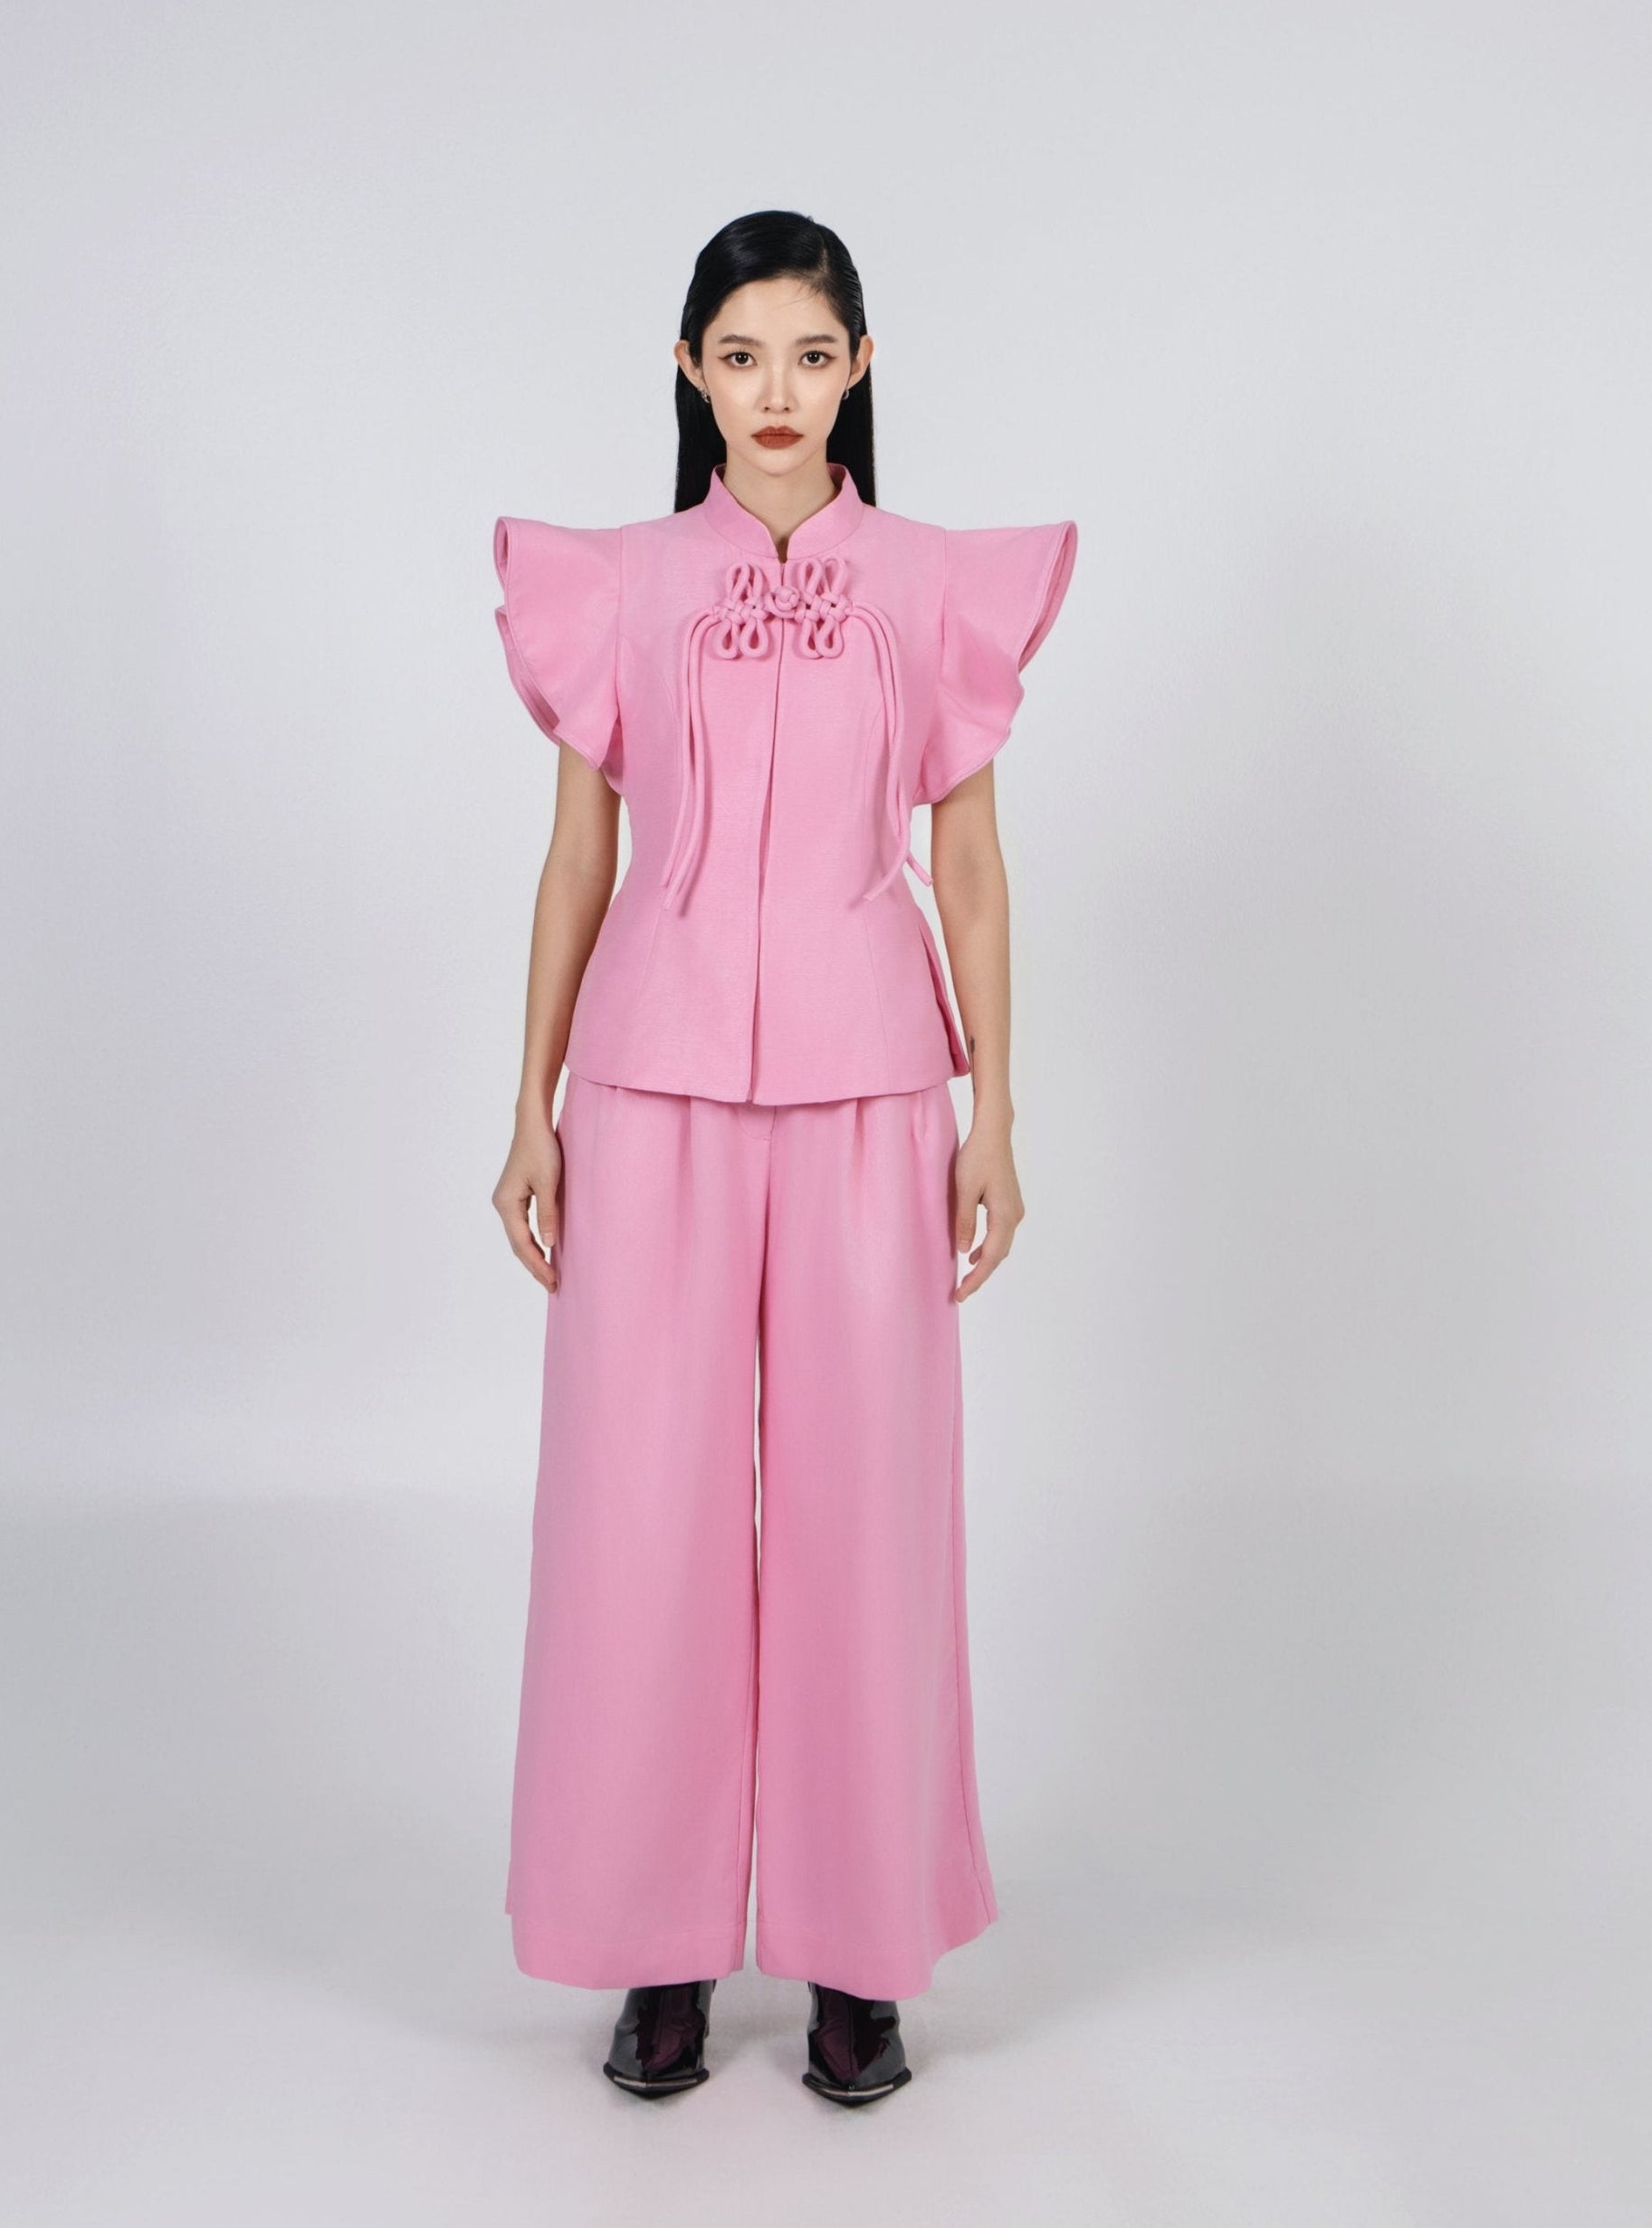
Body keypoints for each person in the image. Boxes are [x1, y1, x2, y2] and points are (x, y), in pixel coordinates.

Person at [489, 209, 1078, 2105]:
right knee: (635, 1511)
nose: (774, 390)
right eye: (739, 354)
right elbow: (576, 857)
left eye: (810, 354)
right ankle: (652, 1947)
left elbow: (967, 862)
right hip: (648, 1085)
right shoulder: (620, 585)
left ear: (859, 369)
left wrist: (996, 1110)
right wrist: (529, 1104)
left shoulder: (928, 584)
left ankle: (857, 1954)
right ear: (688, 369)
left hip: (869, 1089)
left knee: (865, 1513)